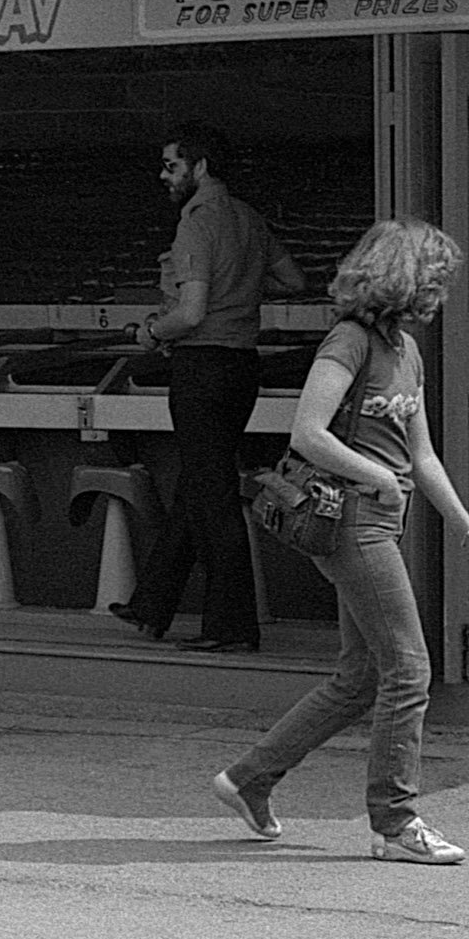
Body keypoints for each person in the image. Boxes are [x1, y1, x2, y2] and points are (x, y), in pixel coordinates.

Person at [211, 219, 469, 864]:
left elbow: (421, 455)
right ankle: (395, 824)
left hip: (375, 521)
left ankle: (249, 779)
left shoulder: (405, 350)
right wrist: (378, 478)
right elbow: (307, 433)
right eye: (435, 280)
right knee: (410, 668)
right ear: (409, 280)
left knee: (360, 676)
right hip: (350, 523)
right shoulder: (349, 342)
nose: (441, 293)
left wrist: (468, 532)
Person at [115, 123, 305, 651]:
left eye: (172, 165)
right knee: (199, 484)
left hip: (200, 368)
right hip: (243, 367)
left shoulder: (197, 224)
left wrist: (151, 332)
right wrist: (239, 284)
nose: (164, 175)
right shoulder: (248, 217)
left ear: (199, 168)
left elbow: (191, 313)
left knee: (213, 497)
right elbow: (295, 281)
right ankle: (151, 604)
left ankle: (232, 627)